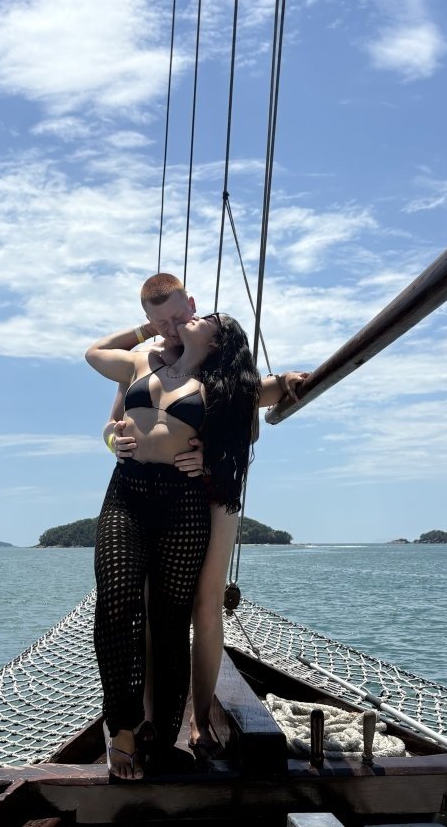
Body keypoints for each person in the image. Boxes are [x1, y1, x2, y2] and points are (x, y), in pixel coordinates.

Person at [101, 273, 307, 759]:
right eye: (162, 321)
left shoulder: (221, 369)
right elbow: (111, 424)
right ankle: (143, 718)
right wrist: (114, 442)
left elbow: (262, 394)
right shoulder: (145, 359)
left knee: (203, 604)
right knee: (140, 604)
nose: (175, 325)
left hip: (207, 493)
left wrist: (290, 382)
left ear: (193, 307)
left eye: (182, 316)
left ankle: (194, 720)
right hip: (140, 489)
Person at [86, 307, 260, 780]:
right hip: (127, 492)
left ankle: (161, 735)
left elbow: (257, 409)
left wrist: (210, 458)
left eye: (207, 319)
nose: (194, 318)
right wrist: (112, 439)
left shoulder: (221, 387)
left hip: (182, 502)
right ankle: (123, 726)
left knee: (169, 622)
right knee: (116, 601)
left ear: (218, 343)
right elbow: (94, 355)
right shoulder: (144, 359)